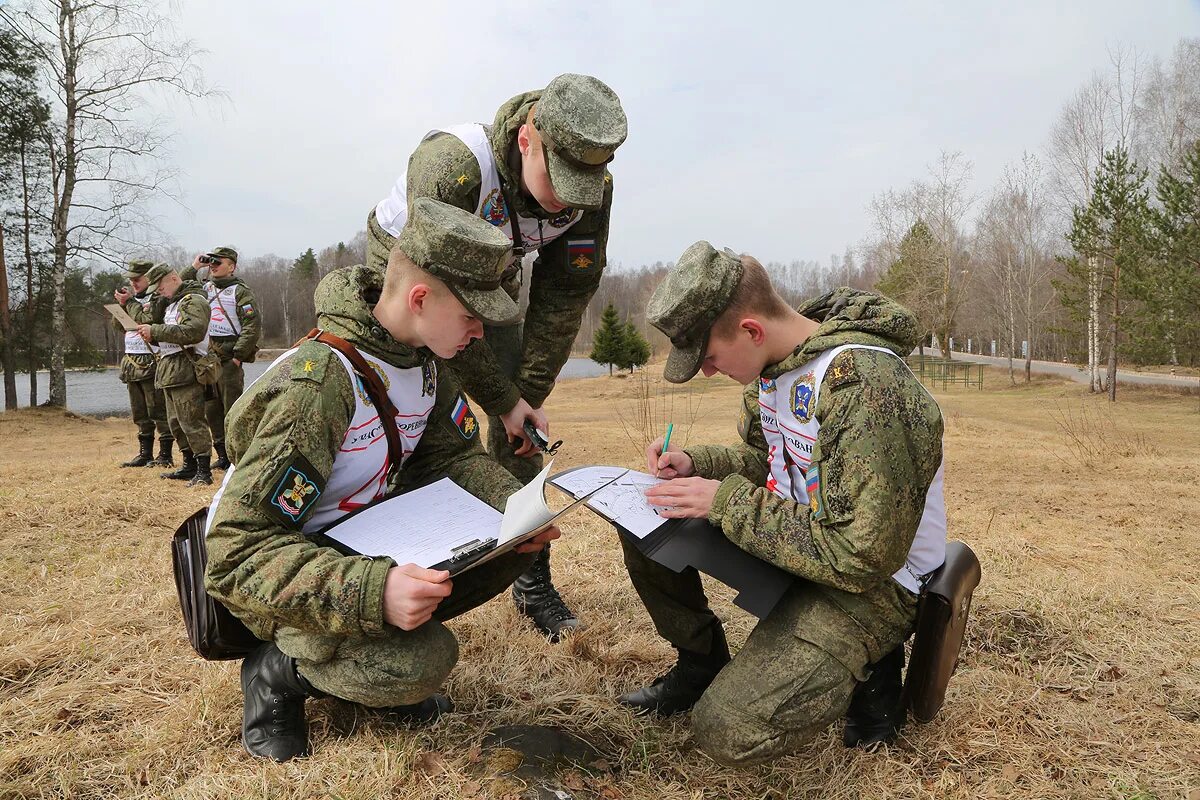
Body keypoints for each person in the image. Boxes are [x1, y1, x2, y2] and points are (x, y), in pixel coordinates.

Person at [204, 198, 561, 762]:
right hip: (279, 566)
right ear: (420, 299)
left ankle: (361, 644)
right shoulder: (319, 385)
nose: (478, 335)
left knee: (509, 549)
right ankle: (276, 672)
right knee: (421, 661)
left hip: (357, 540)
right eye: (472, 318)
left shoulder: (423, 356)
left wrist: (517, 510)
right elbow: (234, 555)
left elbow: (453, 459)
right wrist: (374, 592)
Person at [618, 241, 947, 765]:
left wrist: (724, 502)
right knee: (648, 524)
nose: (706, 372)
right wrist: (697, 464)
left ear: (750, 330)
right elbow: (767, 458)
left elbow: (861, 556)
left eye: (708, 357)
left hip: (874, 584)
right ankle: (700, 663)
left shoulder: (867, 388)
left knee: (725, 730)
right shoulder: (774, 369)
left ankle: (873, 668)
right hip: (804, 545)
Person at [363, 73, 628, 641]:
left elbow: (564, 294)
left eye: (585, 185)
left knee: (519, 434)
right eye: (558, 181)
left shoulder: (589, 191)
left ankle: (529, 578)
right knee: (426, 425)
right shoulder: (454, 166)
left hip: (489, 291)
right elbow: (429, 298)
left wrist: (523, 397)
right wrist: (499, 396)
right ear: (529, 136)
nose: (567, 201)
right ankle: (383, 571)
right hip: (410, 286)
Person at [181, 247, 261, 471]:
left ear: (232, 266)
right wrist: (196, 266)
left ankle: (239, 455)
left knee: (232, 408)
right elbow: (178, 287)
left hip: (228, 357)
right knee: (211, 409)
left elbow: (252, 326)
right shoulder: (204, 287)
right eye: (211, 262)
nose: (213, 265)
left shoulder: (240, 291)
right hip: (207, 359)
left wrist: (238, 356)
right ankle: (222, 454)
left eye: (219, 262)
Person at [135, 263, 214, 487]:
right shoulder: (173, 305)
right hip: (171, 369)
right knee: (176, 422)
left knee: (191, 420)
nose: (159, 293)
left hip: (187, 368)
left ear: (172, 279)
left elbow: (194, 331)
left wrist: (156, 331)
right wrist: (153, 335)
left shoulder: (193, 301)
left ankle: (203, 471)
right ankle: (189, 465)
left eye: (160, 288)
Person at [112, 259, 173, 467]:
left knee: (158, 410)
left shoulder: (158, 298)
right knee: (140, 412)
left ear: (149, 277)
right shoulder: (132, 300)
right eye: (131, 280)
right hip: (132, 358)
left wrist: (129, 303)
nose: (134, 284)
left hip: (152, 359)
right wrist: (122, 306)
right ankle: (145, 453)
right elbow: (120, 326)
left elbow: (147, 319)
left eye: (137, 279)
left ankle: (165, 455)